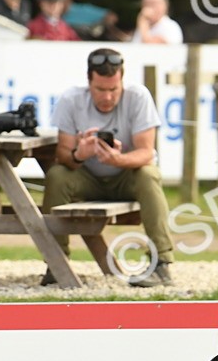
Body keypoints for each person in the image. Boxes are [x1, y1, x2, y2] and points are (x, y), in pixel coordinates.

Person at [41, 48, 175, 287]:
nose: (108, 97)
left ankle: (161, 263)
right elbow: (62, 155)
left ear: (122, 81)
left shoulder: (138, 96)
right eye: (100, 90)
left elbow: (147, 153)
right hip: (87, 177)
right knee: (56, 175)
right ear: (88, 82)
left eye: (114, 89)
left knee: (149, 174)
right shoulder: (71, 99)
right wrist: (80, 154)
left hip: (127, 177)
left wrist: (117, 159)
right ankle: (56, 262)